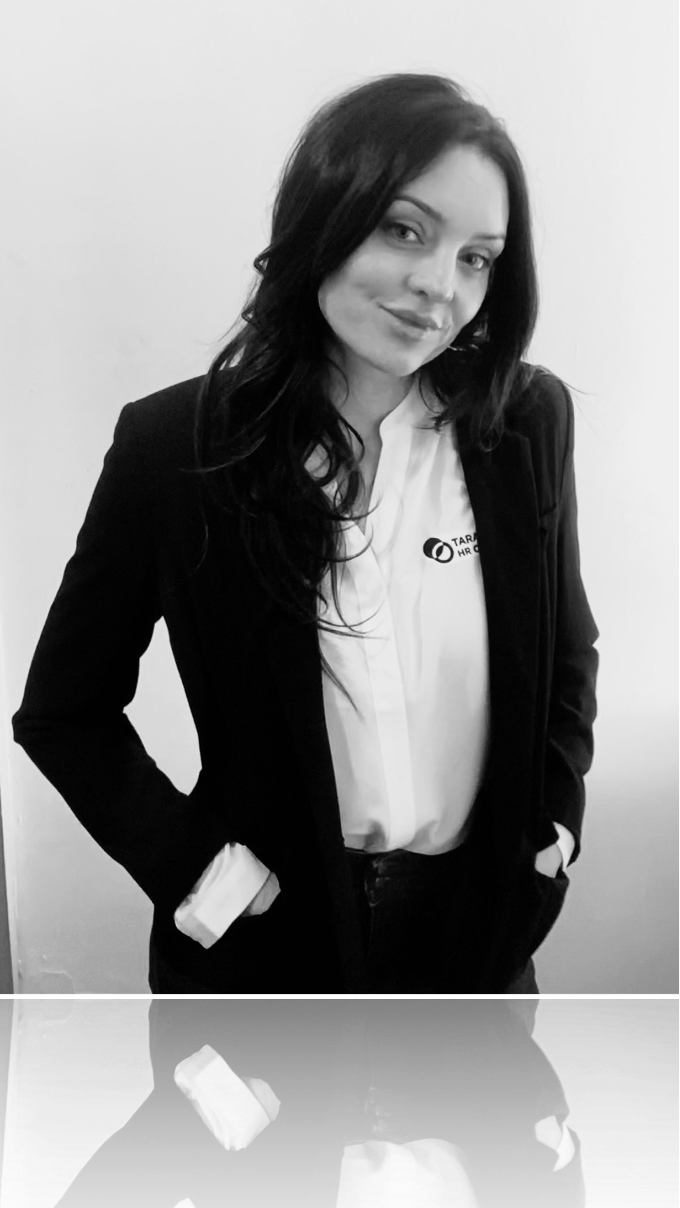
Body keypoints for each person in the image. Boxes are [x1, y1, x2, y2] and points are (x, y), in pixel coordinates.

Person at [12, 72, 599, 997]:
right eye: (404, 230)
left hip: (476, 953)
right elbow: (63, 712)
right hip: (262, 959)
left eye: (478, 257)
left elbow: (566, 656)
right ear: (326, 214)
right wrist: (202, 876)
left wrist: (551, 834)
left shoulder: (525, 421)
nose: (438, 287)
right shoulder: (176, 448)